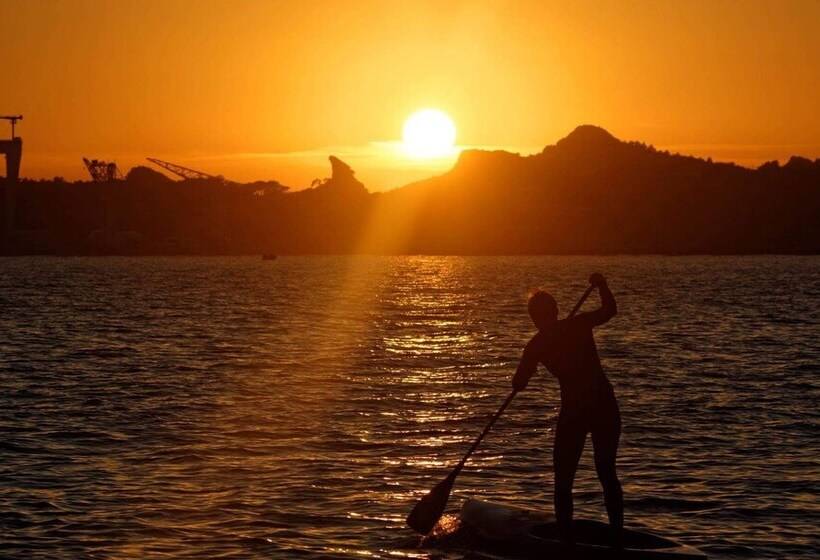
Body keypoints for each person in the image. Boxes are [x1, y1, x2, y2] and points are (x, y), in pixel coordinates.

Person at [512, 273, 623, 547]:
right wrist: (603, 286)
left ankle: (576, 541)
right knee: (598, 473)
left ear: (538, 317)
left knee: (575, 477)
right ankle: (604, 537)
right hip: (594, 407)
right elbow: (609, 309)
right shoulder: (565, 331)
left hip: (587, 409)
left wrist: (529, 367)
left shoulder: (540, 344)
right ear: (554, 311)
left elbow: (518, 383)